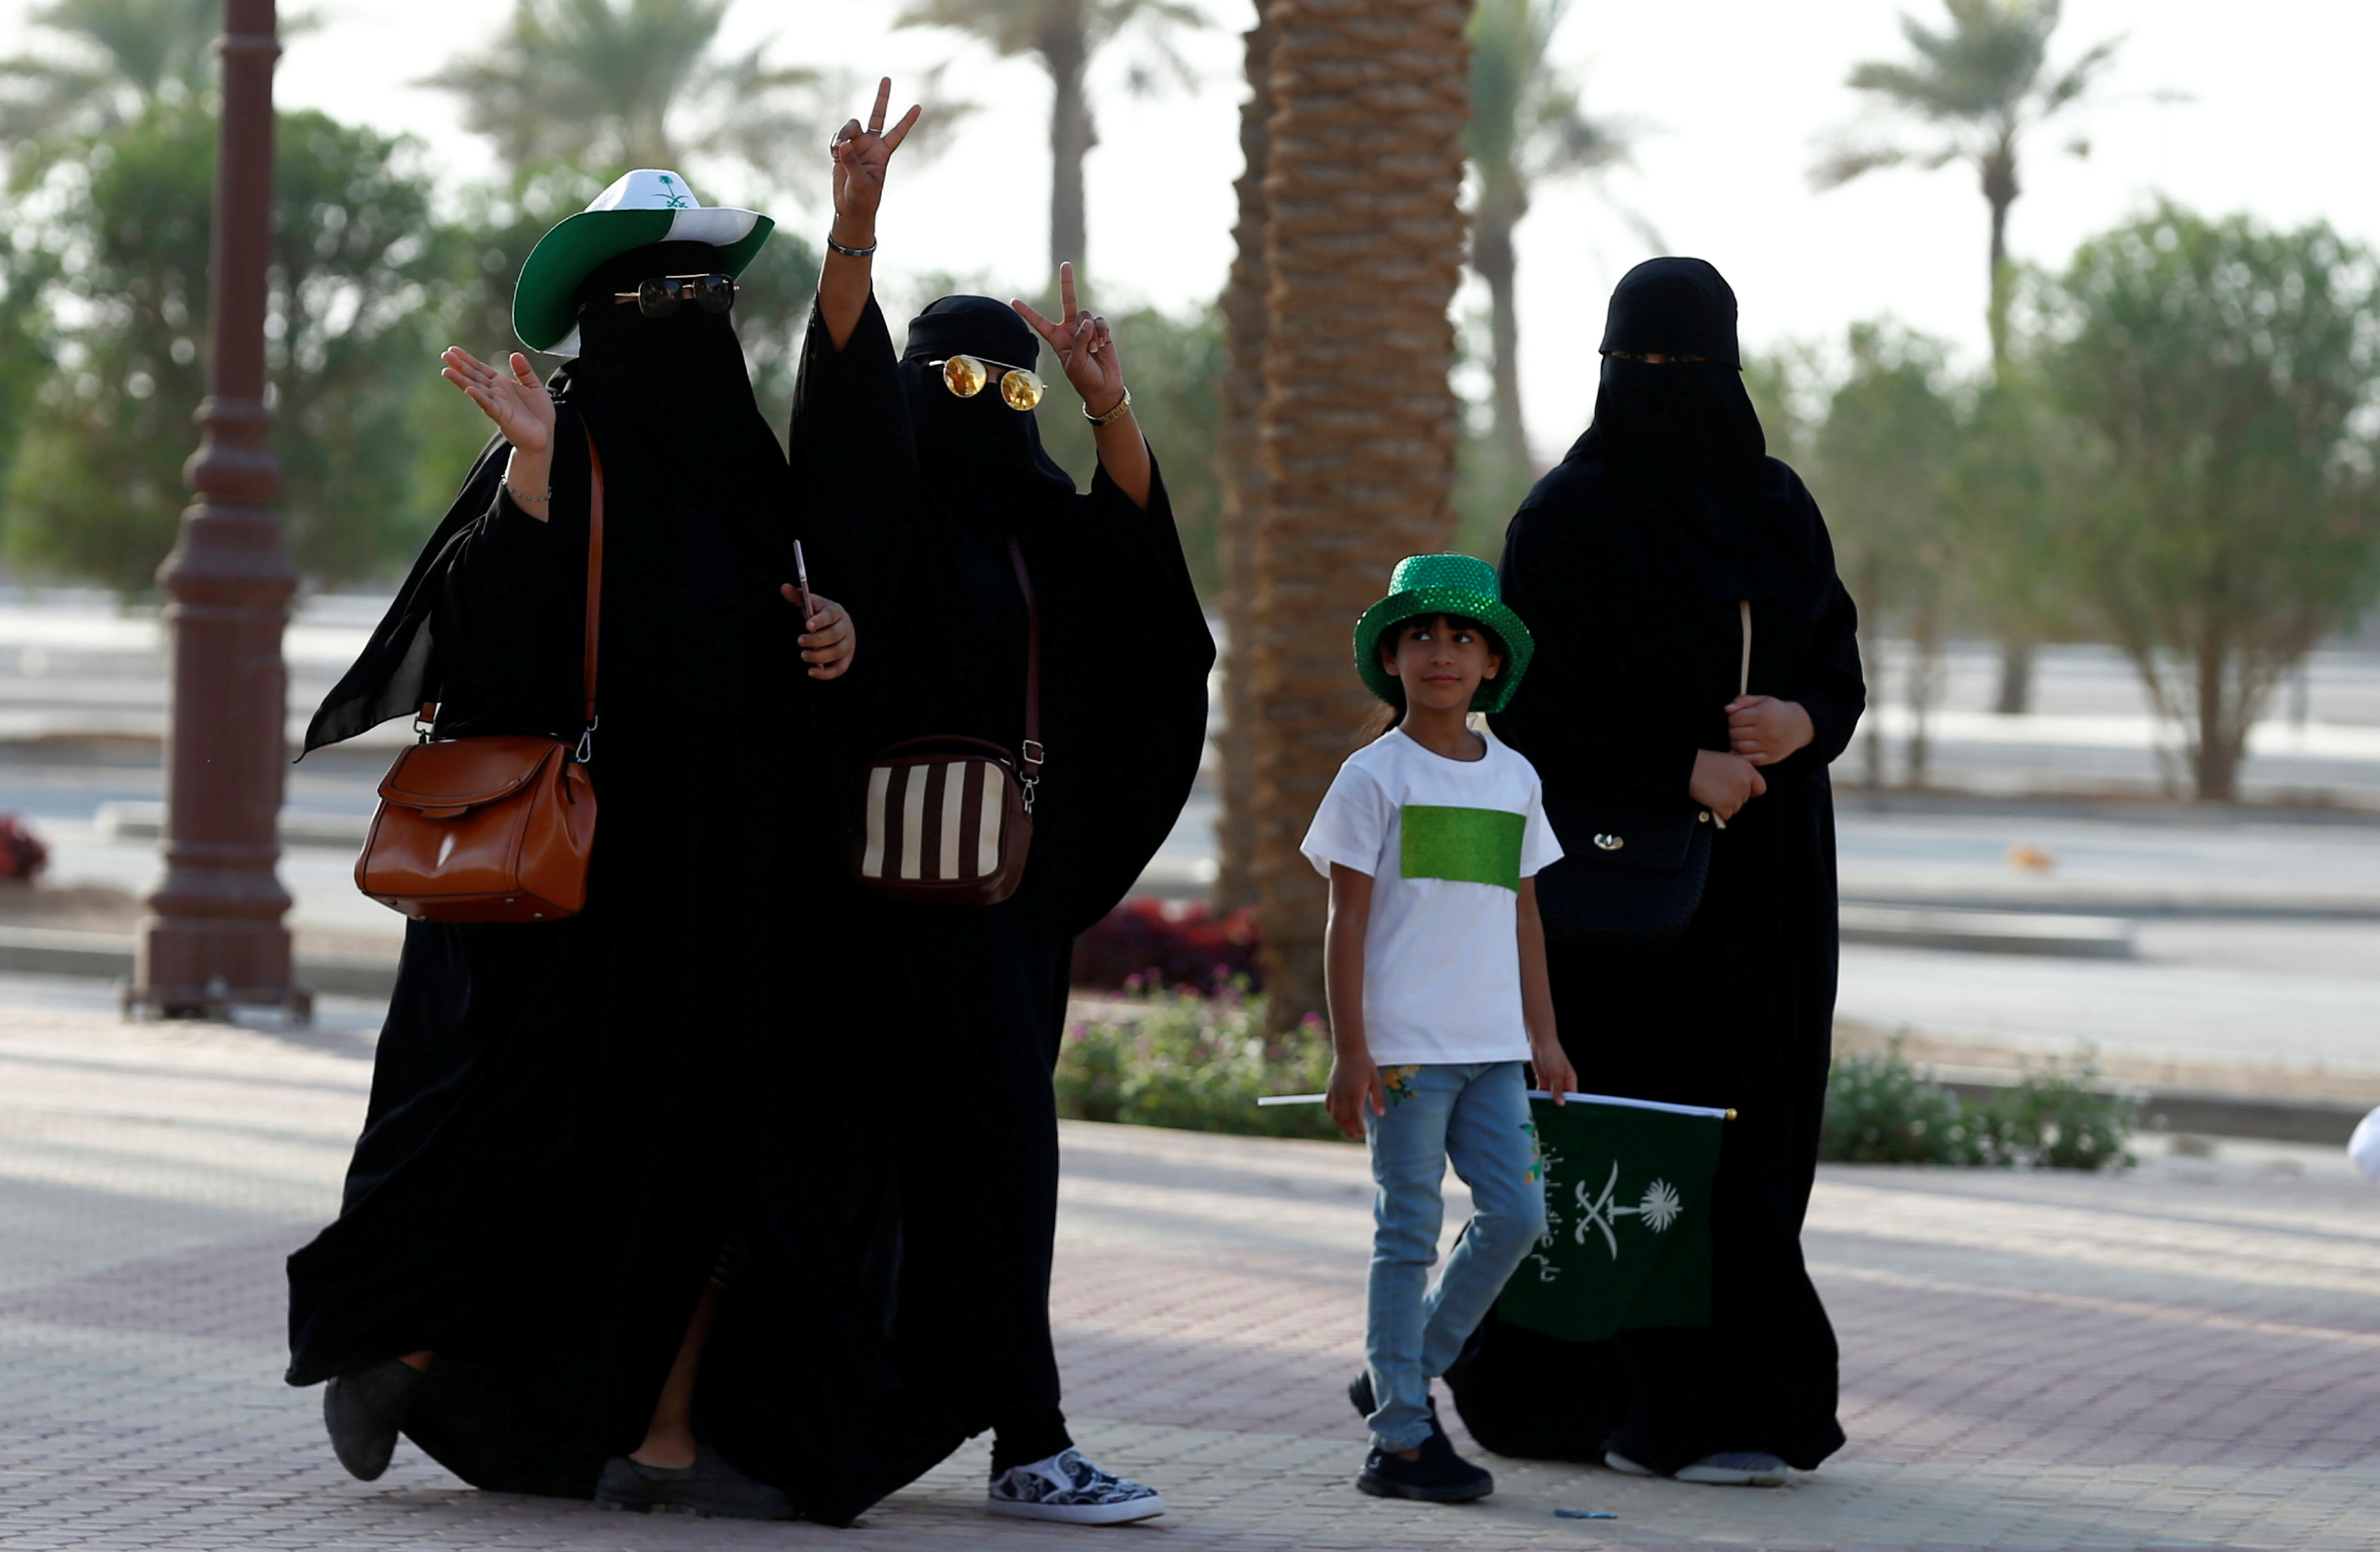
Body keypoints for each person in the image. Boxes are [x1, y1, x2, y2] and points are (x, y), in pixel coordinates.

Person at [284, 168, 965, 1524]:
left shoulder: (746, 463)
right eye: (665, 295)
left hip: (739, 881)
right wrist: (533, 479)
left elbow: (810, 581)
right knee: (553, 1129)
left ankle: (662, 1436)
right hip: (594, 896)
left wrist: (832, 634)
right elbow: (483, 641)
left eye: (712, 293)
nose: (695, 315)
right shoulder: (564, 439)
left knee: (736, 1154)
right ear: (606, 312)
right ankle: (407, 1346)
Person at [786, 83, 1213, 1525]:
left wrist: (1103, 398)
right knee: (893, 1159)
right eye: (958, 384)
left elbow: (1154, 599)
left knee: (997, 1159)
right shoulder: (890, 511)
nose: (988, 406)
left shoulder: (1043, 529)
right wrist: (855, 235)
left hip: (1006, 899)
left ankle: (1007, 1434)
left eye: (1010, 387)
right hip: (879, 903)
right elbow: (841, 414)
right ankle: (966, 1434)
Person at [1445, 256, 1865, 1487]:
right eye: (1647, 369)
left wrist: (1799, 725)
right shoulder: (1566, 520)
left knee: (1757, 1134)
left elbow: (1836, 661)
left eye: (1691, 368)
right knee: (1631, 1141)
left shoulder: (1779, 508)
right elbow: (1523, 710)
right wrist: (1675, 766)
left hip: (1770, 881)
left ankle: (1742, 1401)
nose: (1668, 391)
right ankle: (1628, 1404)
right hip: (1624, 899)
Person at [1299, 554, 1574, 1504]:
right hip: (1406, 1056)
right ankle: (1403, 1440)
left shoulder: (1516, 778)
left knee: (1518, 1213)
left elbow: (1525, 916)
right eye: (1422, 635)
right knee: (1408, 1232)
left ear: (1493, 662)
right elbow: (1349, 921)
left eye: (1463, 637)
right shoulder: (1372, 776)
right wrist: (1351, 1049)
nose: (1442, 652)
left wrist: (1546, 1035)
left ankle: (1396, 1375)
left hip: (1496, 1051)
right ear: (1393, 656)